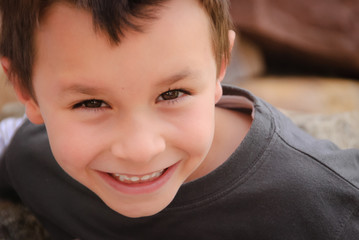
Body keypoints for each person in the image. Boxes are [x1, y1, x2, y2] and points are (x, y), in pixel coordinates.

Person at [0, 0, 358, 239]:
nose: (140, 150)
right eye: (91, 103)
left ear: (220, 66)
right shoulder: (30, 158)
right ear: (26, 91)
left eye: (172, 94)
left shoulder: (322, 205)